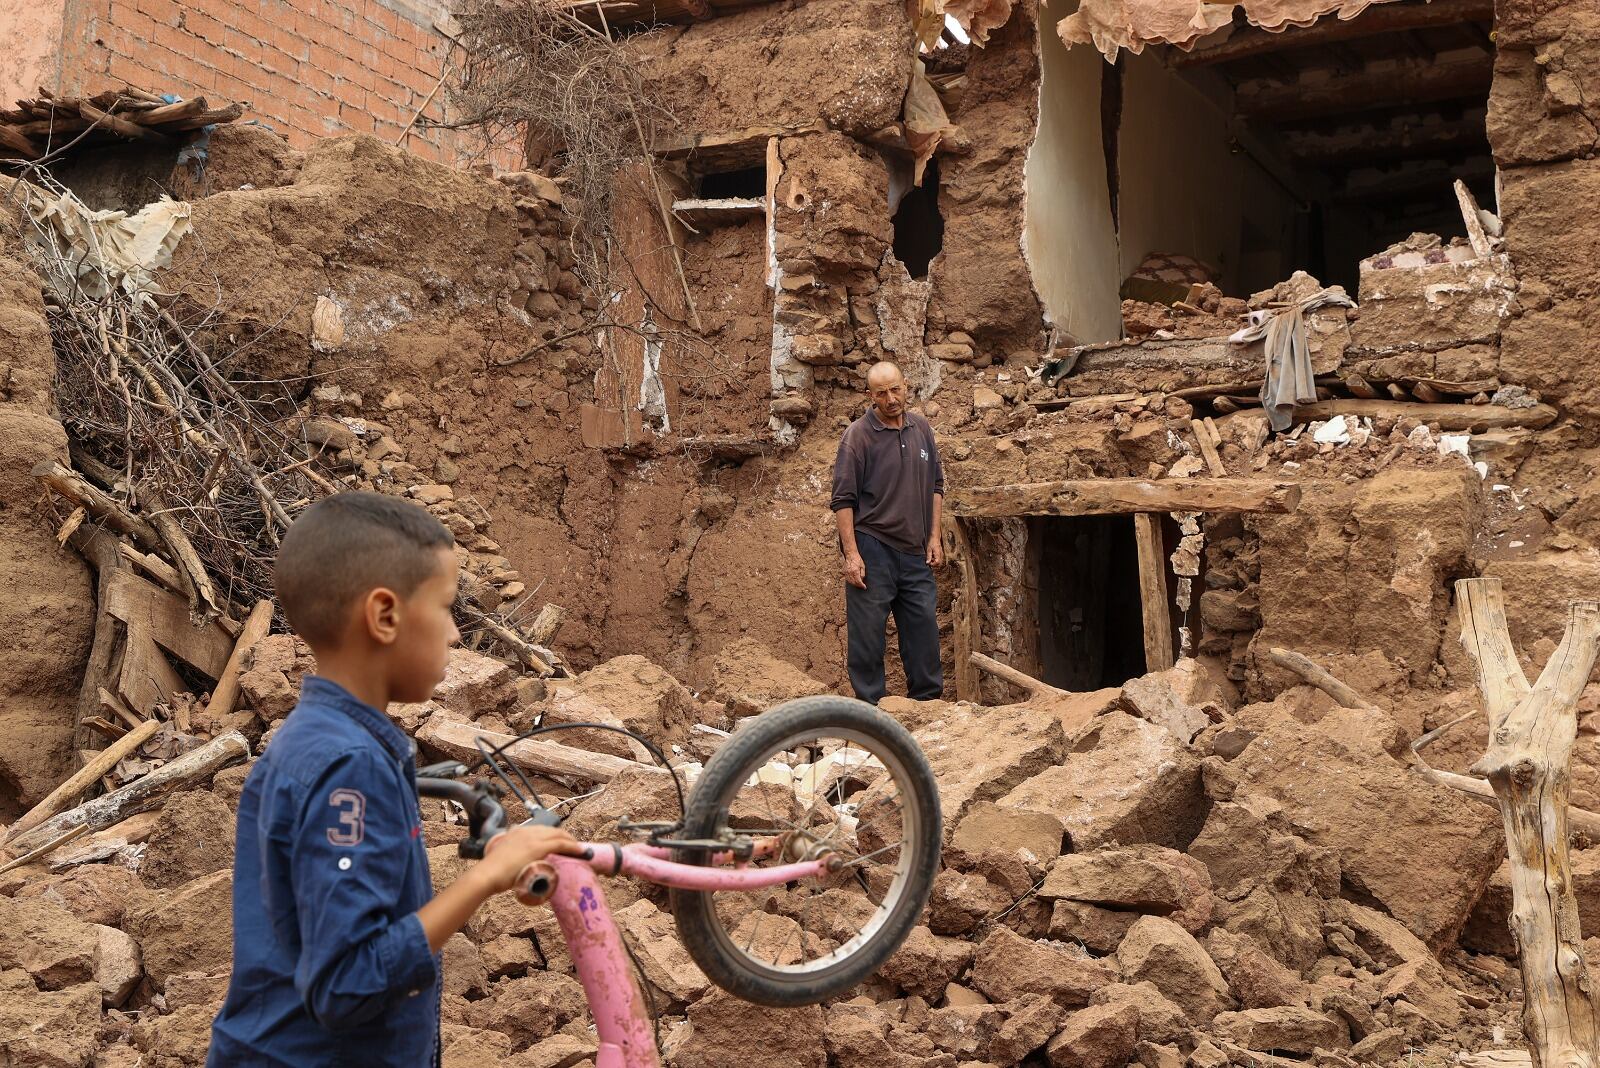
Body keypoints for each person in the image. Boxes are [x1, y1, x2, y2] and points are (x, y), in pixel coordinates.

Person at [209, 492, 580, 1067]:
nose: (456, 634)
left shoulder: (323, 739)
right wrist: (486, 880)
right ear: (385, 616)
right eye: (446, 608)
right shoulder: (346, 768)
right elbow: (348, 982)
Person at [830, 361, 946, 703]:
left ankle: (927, 708)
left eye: (895, 389)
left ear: (906, 386)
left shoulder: (921, 428)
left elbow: (936, 486)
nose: (891, 398)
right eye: (881, 393)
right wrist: (852, 555)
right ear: (870, 396)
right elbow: (842, 501)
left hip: (915, 552)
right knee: (867, 640)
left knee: (923, 634)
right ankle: (871, 716)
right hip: (873, 548)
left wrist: (934, 536)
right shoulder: (857, 436)